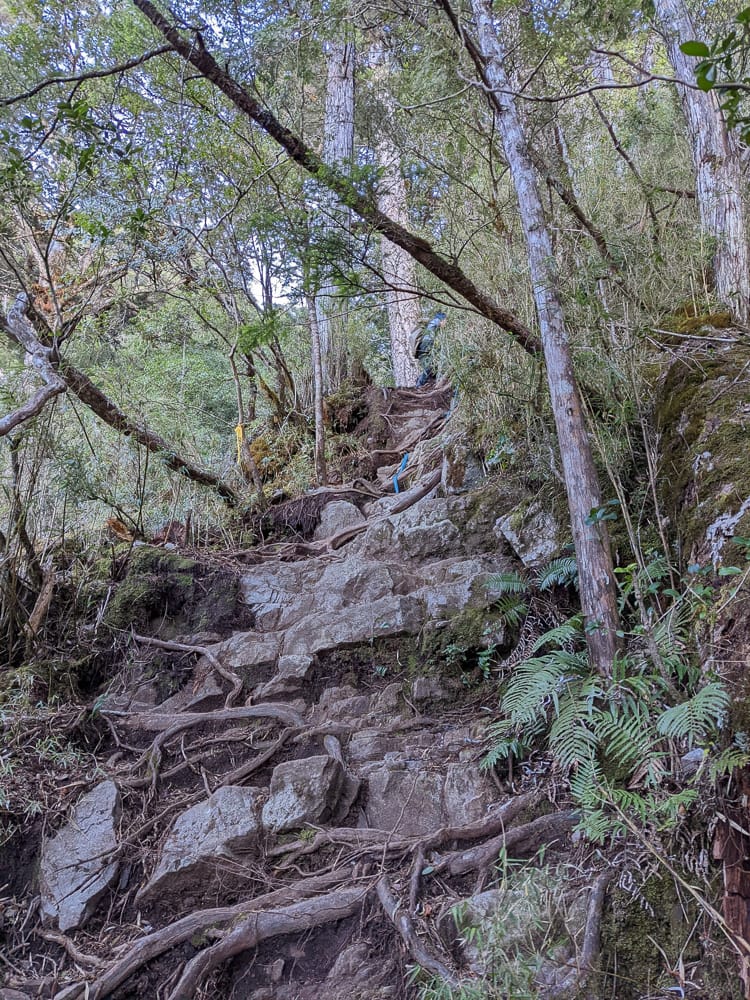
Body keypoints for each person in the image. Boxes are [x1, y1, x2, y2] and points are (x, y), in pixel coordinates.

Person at [409, 311, 446, 387]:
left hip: (424, 349)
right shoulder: (436, 321)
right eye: (445, 320)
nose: (445, 323)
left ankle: (422, 383)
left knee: (432, 367)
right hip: (425, 349)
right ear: (442, 319)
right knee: (429, 367)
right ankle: (418, 385)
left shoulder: (432, 328)